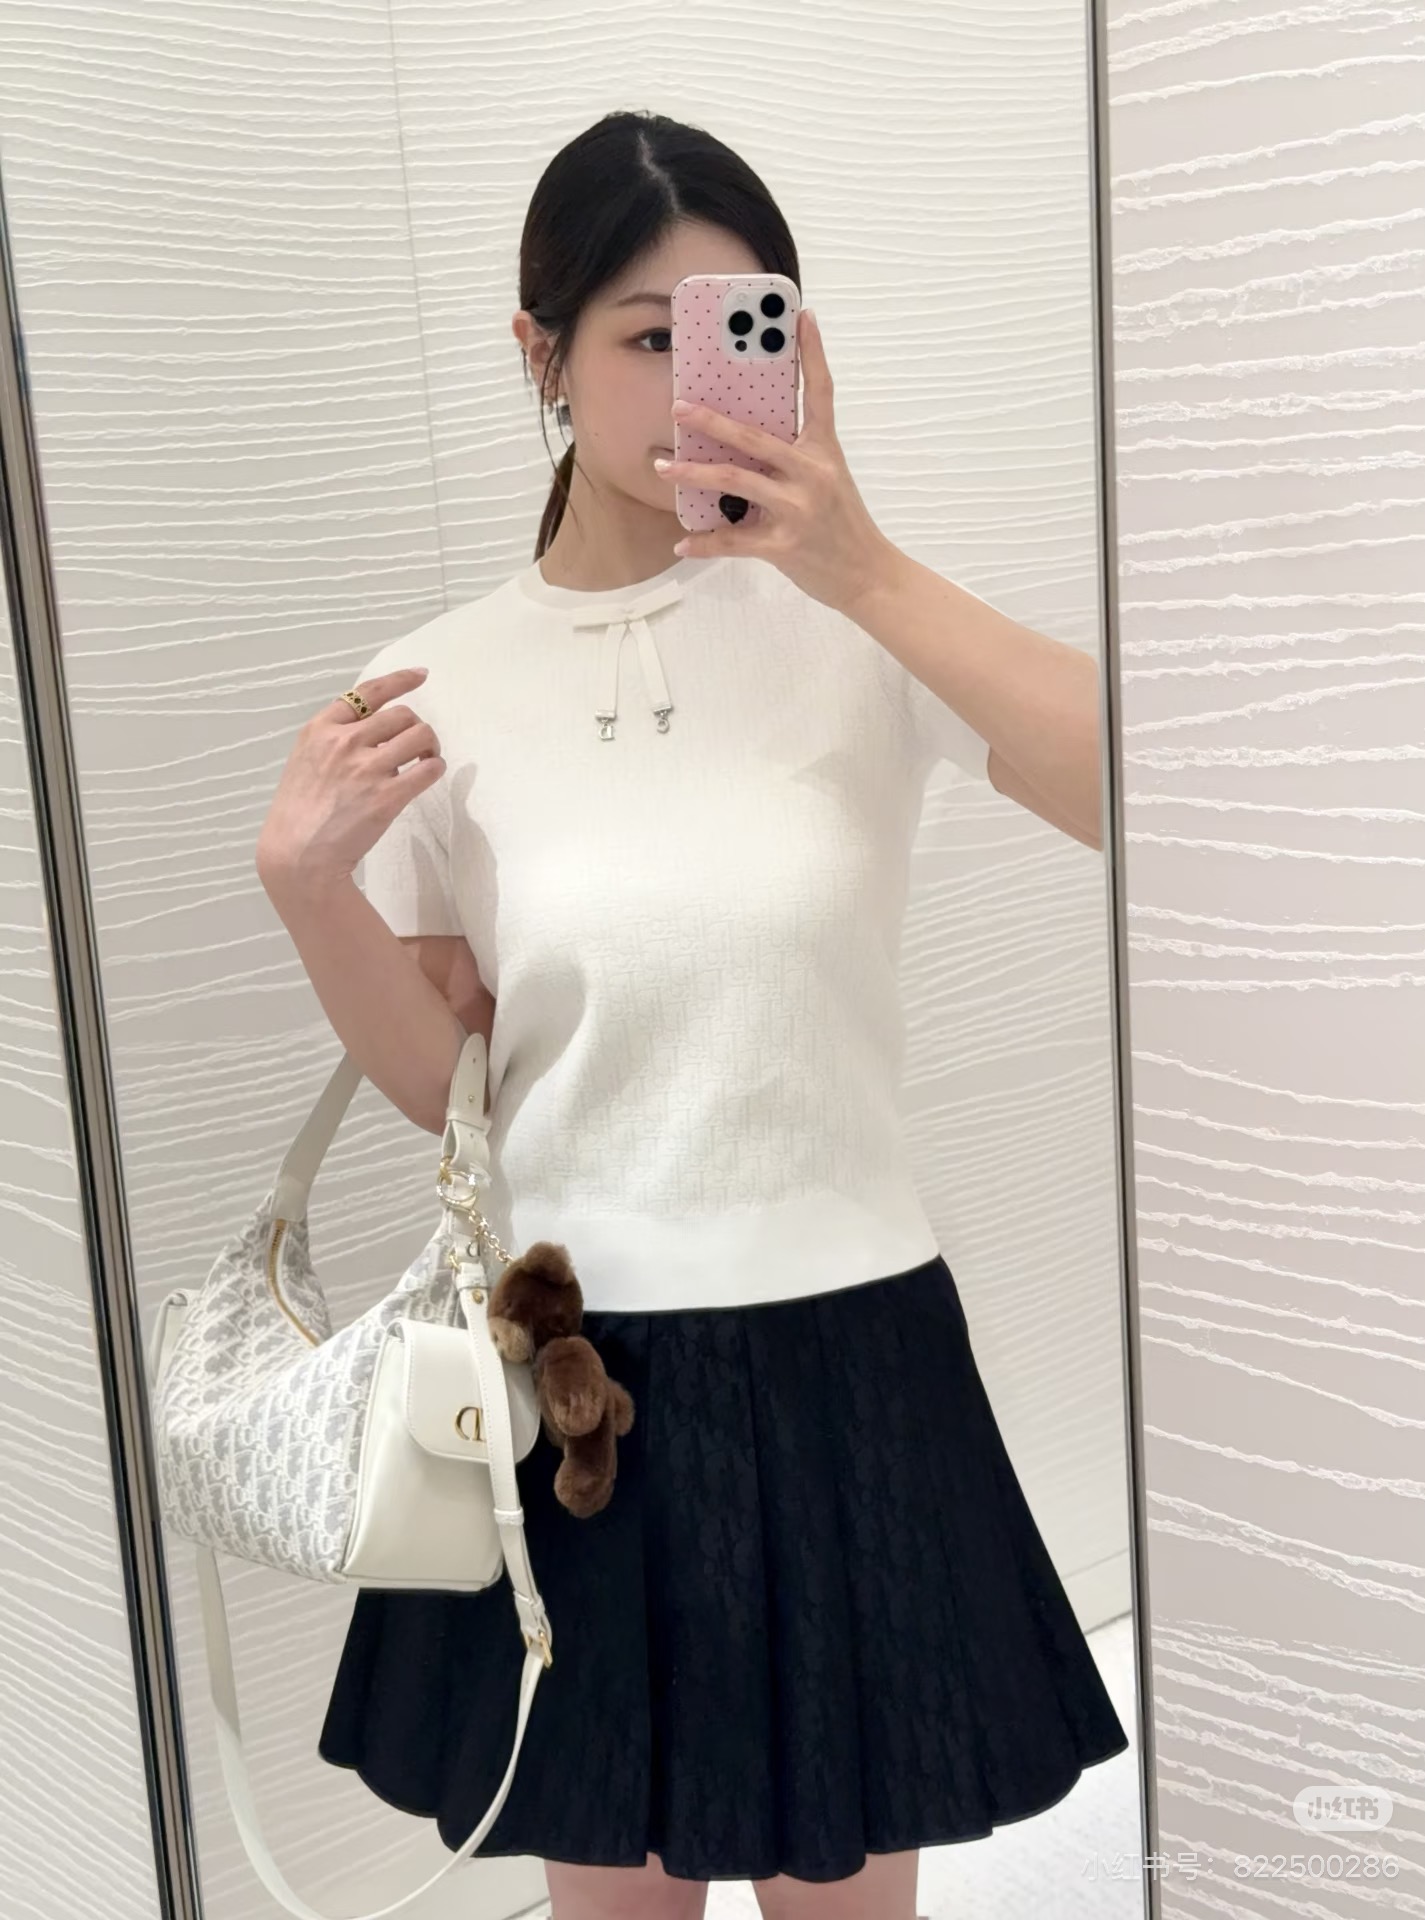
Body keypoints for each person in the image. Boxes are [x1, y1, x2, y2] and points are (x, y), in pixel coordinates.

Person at [256, 108, 1127, 1920]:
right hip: (585, 1391)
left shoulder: (854, 624)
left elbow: (1141, 787)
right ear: (540, 354)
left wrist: (862, 568)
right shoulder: (434, 684)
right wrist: (308, 892)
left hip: (853, 1358)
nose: (691, 383)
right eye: (647, 336)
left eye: (740, 329)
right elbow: (452, 1087)